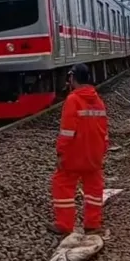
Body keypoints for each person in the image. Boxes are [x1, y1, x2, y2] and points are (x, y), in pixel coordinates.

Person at [51, 63, 108, 236]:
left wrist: (60, 152)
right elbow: (104, 129)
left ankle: (64, 225)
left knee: (63, 184)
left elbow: (67, 132)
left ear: (72, 78)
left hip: (75, 153)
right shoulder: (98, 100)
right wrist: (103, 150)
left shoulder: (73, 100)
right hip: (94, 153)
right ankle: (92, 224)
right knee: (94, 188)